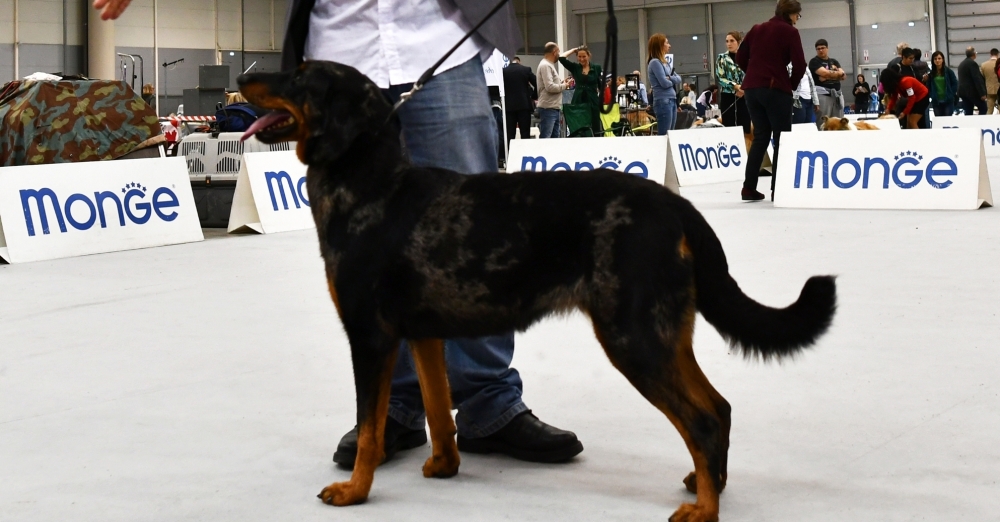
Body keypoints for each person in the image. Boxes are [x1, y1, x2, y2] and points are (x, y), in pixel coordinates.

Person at [735, 0, 806, 202]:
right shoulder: (790, 32)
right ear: (791, 14)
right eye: (797, 16)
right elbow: (800, 64)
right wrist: (790, 84)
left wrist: (753, 73)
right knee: (782, 138)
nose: (797, 20)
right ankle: (778, 188)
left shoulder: (756, 29)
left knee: (760, 137)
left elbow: (740, 56)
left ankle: (748, 188)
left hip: (751, 89)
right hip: (776, 89)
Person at [559, 46, 604, 137]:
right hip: (578, 98)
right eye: (579, 56)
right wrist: (573, 50)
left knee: (595, 123)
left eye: (584, 56)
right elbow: (561, 58)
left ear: (589, 56)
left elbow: (600, 84)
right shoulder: (575, 67)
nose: (581, 59)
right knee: (579, 123)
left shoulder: (597, 67)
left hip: (593, 99)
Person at [715, 31, 751, 140]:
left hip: (744, 94)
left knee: (745, 123)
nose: (729, 44)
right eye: (727, 41)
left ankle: (746, 150)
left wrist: (743, 88)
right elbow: (720, 77)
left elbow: (751, 74)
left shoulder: (747, 57)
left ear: (739, 42)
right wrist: (735, 86)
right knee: (728, 124)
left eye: (732, 41)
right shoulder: (721, 58)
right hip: (727, 95)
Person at [647, 33, 682, 135]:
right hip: (663, 101)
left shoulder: (665, 63)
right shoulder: (655, 62)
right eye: (667, 43)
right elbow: (664, 83)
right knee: (664, 135)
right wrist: (672, 79)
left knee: (670, 134)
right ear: (660, 46)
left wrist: (670, 78)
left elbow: (679, 78)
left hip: (671, 100)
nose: (669, 45)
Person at [536, 42, 569, 139]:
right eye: (558, 52)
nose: (559, 54)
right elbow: (549, 87)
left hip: (553, 107)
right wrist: (564, 86)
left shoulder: (548, 65)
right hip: (548, 108)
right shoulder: (546, 65)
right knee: (547, 138)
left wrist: (562, 83)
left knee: (555, 139)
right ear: (554, 52)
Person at [503, 56, 537, 146]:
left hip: (508, 107)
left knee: (510, 134)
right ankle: (525, 154)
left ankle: (509, 156)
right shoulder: (526, 70)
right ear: (519, 62)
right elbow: (537, 83)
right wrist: (533, 96)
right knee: (525, 133)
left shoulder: (503, 71)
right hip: (524, 105)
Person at [809, 39, 847, 121]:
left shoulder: (834, 61)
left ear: (827, 48)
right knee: (823, 121)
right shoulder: (814, 61)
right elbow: (824, 73)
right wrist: (836, 74)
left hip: (837, 95)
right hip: (823, 95)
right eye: (818, 49)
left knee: (839, 121)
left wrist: (828, 76)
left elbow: (843, 76)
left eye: (823, 48)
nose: (821, 50)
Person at [958, 46, 987, 115]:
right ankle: (980, 124)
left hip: (963, 92)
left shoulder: (962, 64)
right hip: (972, 93)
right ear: (974, 54)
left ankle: (969, 125)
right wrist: (982, 93)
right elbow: (977, 79)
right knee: (983, 108)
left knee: (968, 111)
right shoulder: (972, 64)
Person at [928, 51, 958, 117]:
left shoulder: (949, 72)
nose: (937, 60)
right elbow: (928, 86)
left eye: (939, 58)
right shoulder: (931, 74)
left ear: (943, 59)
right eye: (935, 59)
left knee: (947, 119)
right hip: (936, 101)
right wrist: (931, 95)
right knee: (939, 119)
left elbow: (955, 84)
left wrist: (951, 94)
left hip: (948, 100)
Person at [981, 48, 999, 114]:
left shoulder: (984, 65)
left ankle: (988, 123)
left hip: (989, 89)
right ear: (998, 54)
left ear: (990, 54)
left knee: (989, 110)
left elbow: (982, 77)